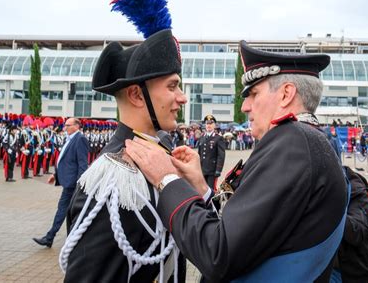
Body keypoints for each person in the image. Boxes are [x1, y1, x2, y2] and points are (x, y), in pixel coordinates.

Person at [125, 40, 348, 282]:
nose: (245, 106)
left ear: (286, 94)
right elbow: (250, 228)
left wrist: (167, 180)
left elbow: (219, 253)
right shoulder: (312, 140)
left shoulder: (292, 141)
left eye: (253, 94)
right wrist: (201, 188)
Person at [59, 0, 187, 282]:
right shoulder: (112, 183)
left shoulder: (158, 159)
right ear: (135, 95)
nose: (183, 98)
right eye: (173, 87)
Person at [32, 117, 88, 248]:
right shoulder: (69, 138)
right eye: (65, 125)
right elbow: (65, 160)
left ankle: (56, 237)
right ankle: (54, 237)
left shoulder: (80, 139)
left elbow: (82, 164)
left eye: (68, 125)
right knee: (65, 210)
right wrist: (55, 174)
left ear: (76, 126)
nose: (65, 127)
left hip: (73, 183)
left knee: (68, 210)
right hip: (68, 181)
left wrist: (80, 184)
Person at [331, 166, 368, 283]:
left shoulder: (352, 184)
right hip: (332, 269)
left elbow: (357, 231)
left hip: (363, 271)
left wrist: (325, 207)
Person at [198, 114, 226, 190]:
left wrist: (218, 169)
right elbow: (199, 155)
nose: (209, 125)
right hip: (202, 169)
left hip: (212, 170)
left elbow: (221, 155)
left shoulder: (218, 138)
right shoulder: (202, 138)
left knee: (211, 190)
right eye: (207, 123)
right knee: (202, 190)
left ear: (214, 125)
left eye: (211, 123)